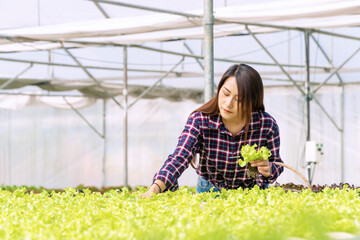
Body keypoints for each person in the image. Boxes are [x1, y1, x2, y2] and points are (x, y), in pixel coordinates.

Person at [140, 64, 284, 198]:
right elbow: (180, 157)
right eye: (226, 94)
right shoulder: (200, 120)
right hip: (209, 190)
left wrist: (269, 169)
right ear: (219, 90)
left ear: (252, 102)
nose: (228, 103)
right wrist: (155, 188)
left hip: (252, 194)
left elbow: (276, 163)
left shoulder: (266, 125)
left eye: (239, 100)